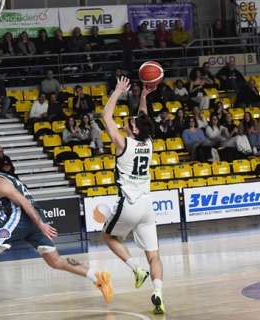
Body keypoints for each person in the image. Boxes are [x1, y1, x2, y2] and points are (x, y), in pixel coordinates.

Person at [0, 160, 112, 315]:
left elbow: (23, 202)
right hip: (33, 218)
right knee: (55, 261)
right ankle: (97, 277)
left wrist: (40, 224)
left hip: (23, 218)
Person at [100, 76, 166, 314]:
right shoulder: (147, 142)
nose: (129, 121)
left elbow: (105, 117)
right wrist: (144, 96)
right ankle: (157, 292)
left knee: (108, 237)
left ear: (134, 129)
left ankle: (135, 269)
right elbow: (144, 118)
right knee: (154, 256)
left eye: (132, 121)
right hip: (148, 206)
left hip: (128, 204)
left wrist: (117, 91)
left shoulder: (123, 144)